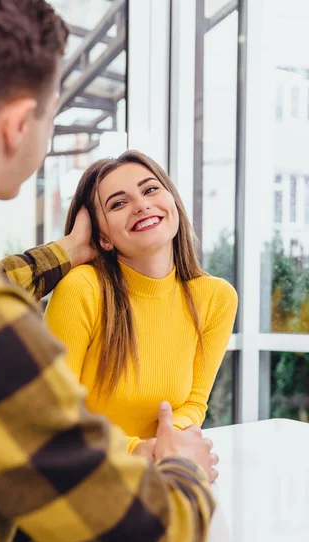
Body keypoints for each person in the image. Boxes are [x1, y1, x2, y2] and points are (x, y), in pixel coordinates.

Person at [0, 2, 218, 542]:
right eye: (53, 115)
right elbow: (143, 538)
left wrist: (64, 252)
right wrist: (185, 469)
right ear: (19, 124)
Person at [42, 152, 238, 460]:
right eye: (118, 204)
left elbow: (194, 404)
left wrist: (166, 445)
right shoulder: (82, 289)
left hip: (162, 471)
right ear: (103, 237)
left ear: (172, 202)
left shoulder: (216, 298)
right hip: (85, 477)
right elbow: (53, 415)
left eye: (150, 190)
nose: (141, 205)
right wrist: (138, 450)